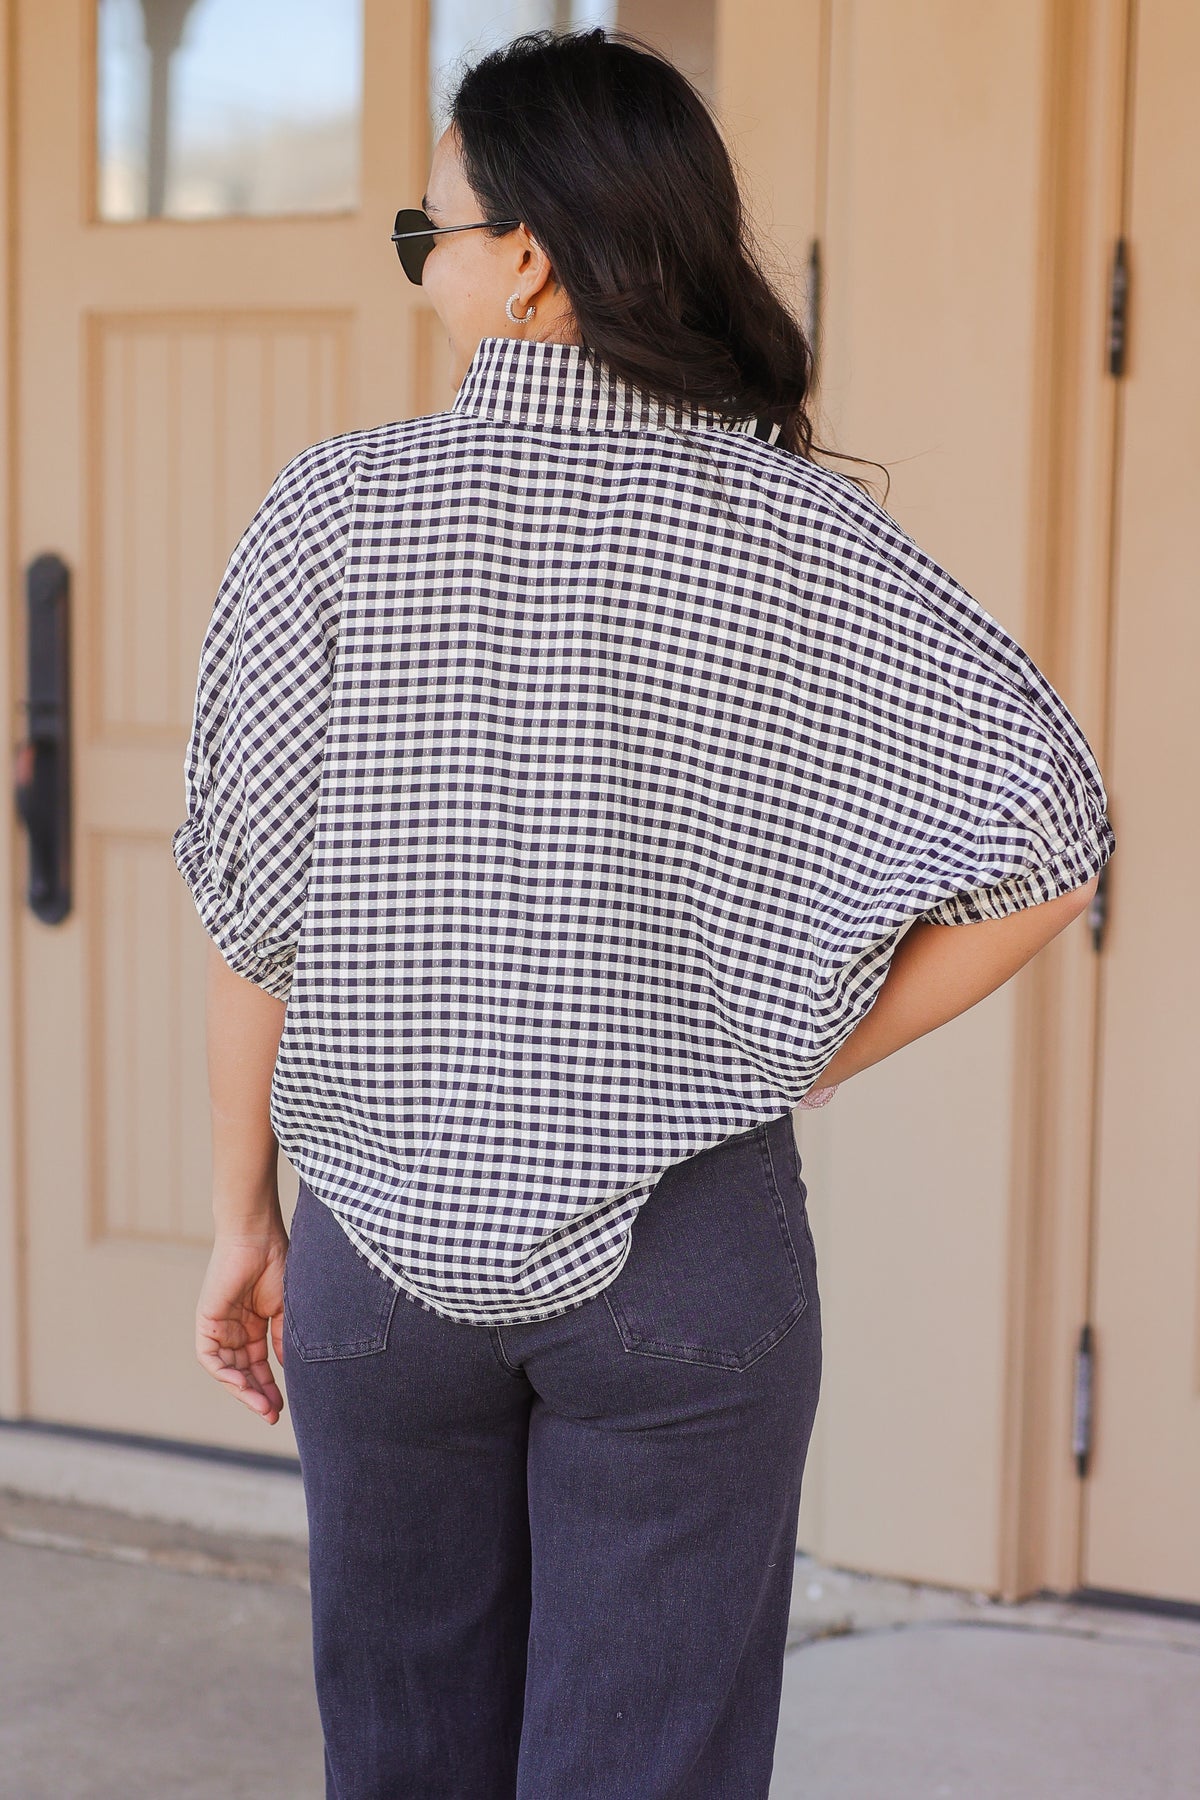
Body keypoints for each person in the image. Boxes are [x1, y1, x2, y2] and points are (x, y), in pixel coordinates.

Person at [172, 27, 1115, 1800]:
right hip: (685, 1245)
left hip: (379, 1240)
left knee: (400, 1762)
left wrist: (243, 1219)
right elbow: (1053, 840)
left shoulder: (333, 513)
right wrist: (791, 1058)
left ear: (527, 259)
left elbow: (250, 904)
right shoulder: (792, 526)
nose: (420, 262)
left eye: (426, 230)